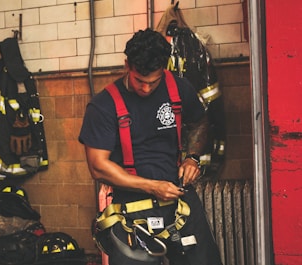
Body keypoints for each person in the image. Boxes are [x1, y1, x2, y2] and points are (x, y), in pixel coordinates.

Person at [79, 28, 222, 265]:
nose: (146, 88)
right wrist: (151, 186)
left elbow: (199, 121)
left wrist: (192, 158)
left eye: (153, 82)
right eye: (139, 81)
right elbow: (98, 167)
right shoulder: (103, 105)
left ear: (164, 67)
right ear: (127, 65)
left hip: (179, 203)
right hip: (131, 212)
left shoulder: (179, 88)